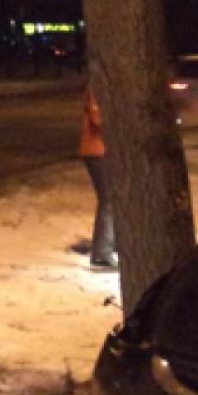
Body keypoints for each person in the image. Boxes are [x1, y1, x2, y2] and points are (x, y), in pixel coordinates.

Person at [79, 86, 117, 269]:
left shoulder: (108, 87)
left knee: (114, 199)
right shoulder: (99, 89)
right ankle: (102, 253)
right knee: (108, 200)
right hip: (96, 152)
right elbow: (98, 120)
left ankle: (111, 244)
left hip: (104, 152)